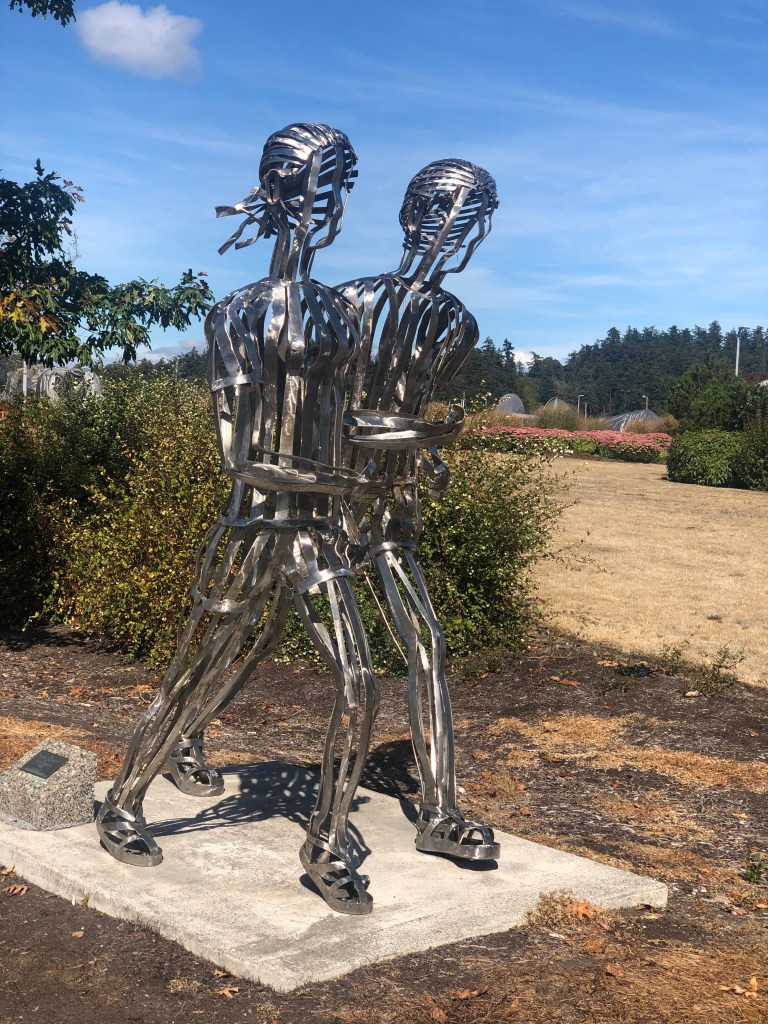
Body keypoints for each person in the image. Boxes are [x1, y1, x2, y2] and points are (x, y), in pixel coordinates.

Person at [96, 123, 380, 916]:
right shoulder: (238, 313)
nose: (329, 210)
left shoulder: (343, 315)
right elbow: (242, 455)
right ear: (282, 193)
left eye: (339, 192)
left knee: (360, 680)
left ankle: (326, 846)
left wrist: (406, 444)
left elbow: (346, 422)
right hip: (251, 530)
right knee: (195, 674)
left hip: (316, 534)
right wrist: (339, 479)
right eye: (319, 190)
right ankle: (123, 800)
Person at [339, 158, 501, 860]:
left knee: (426, 641)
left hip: (390, 512)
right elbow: (333, 420)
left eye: (469, 223)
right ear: (409, 216)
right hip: (322, 505)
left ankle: (439, 811)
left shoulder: (456, 324)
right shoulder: (347, 304)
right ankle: (186, 737)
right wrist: (422, 437)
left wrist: (426, 455)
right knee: (253, 628)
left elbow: (411, 408)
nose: (452, 236)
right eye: (441, 216)